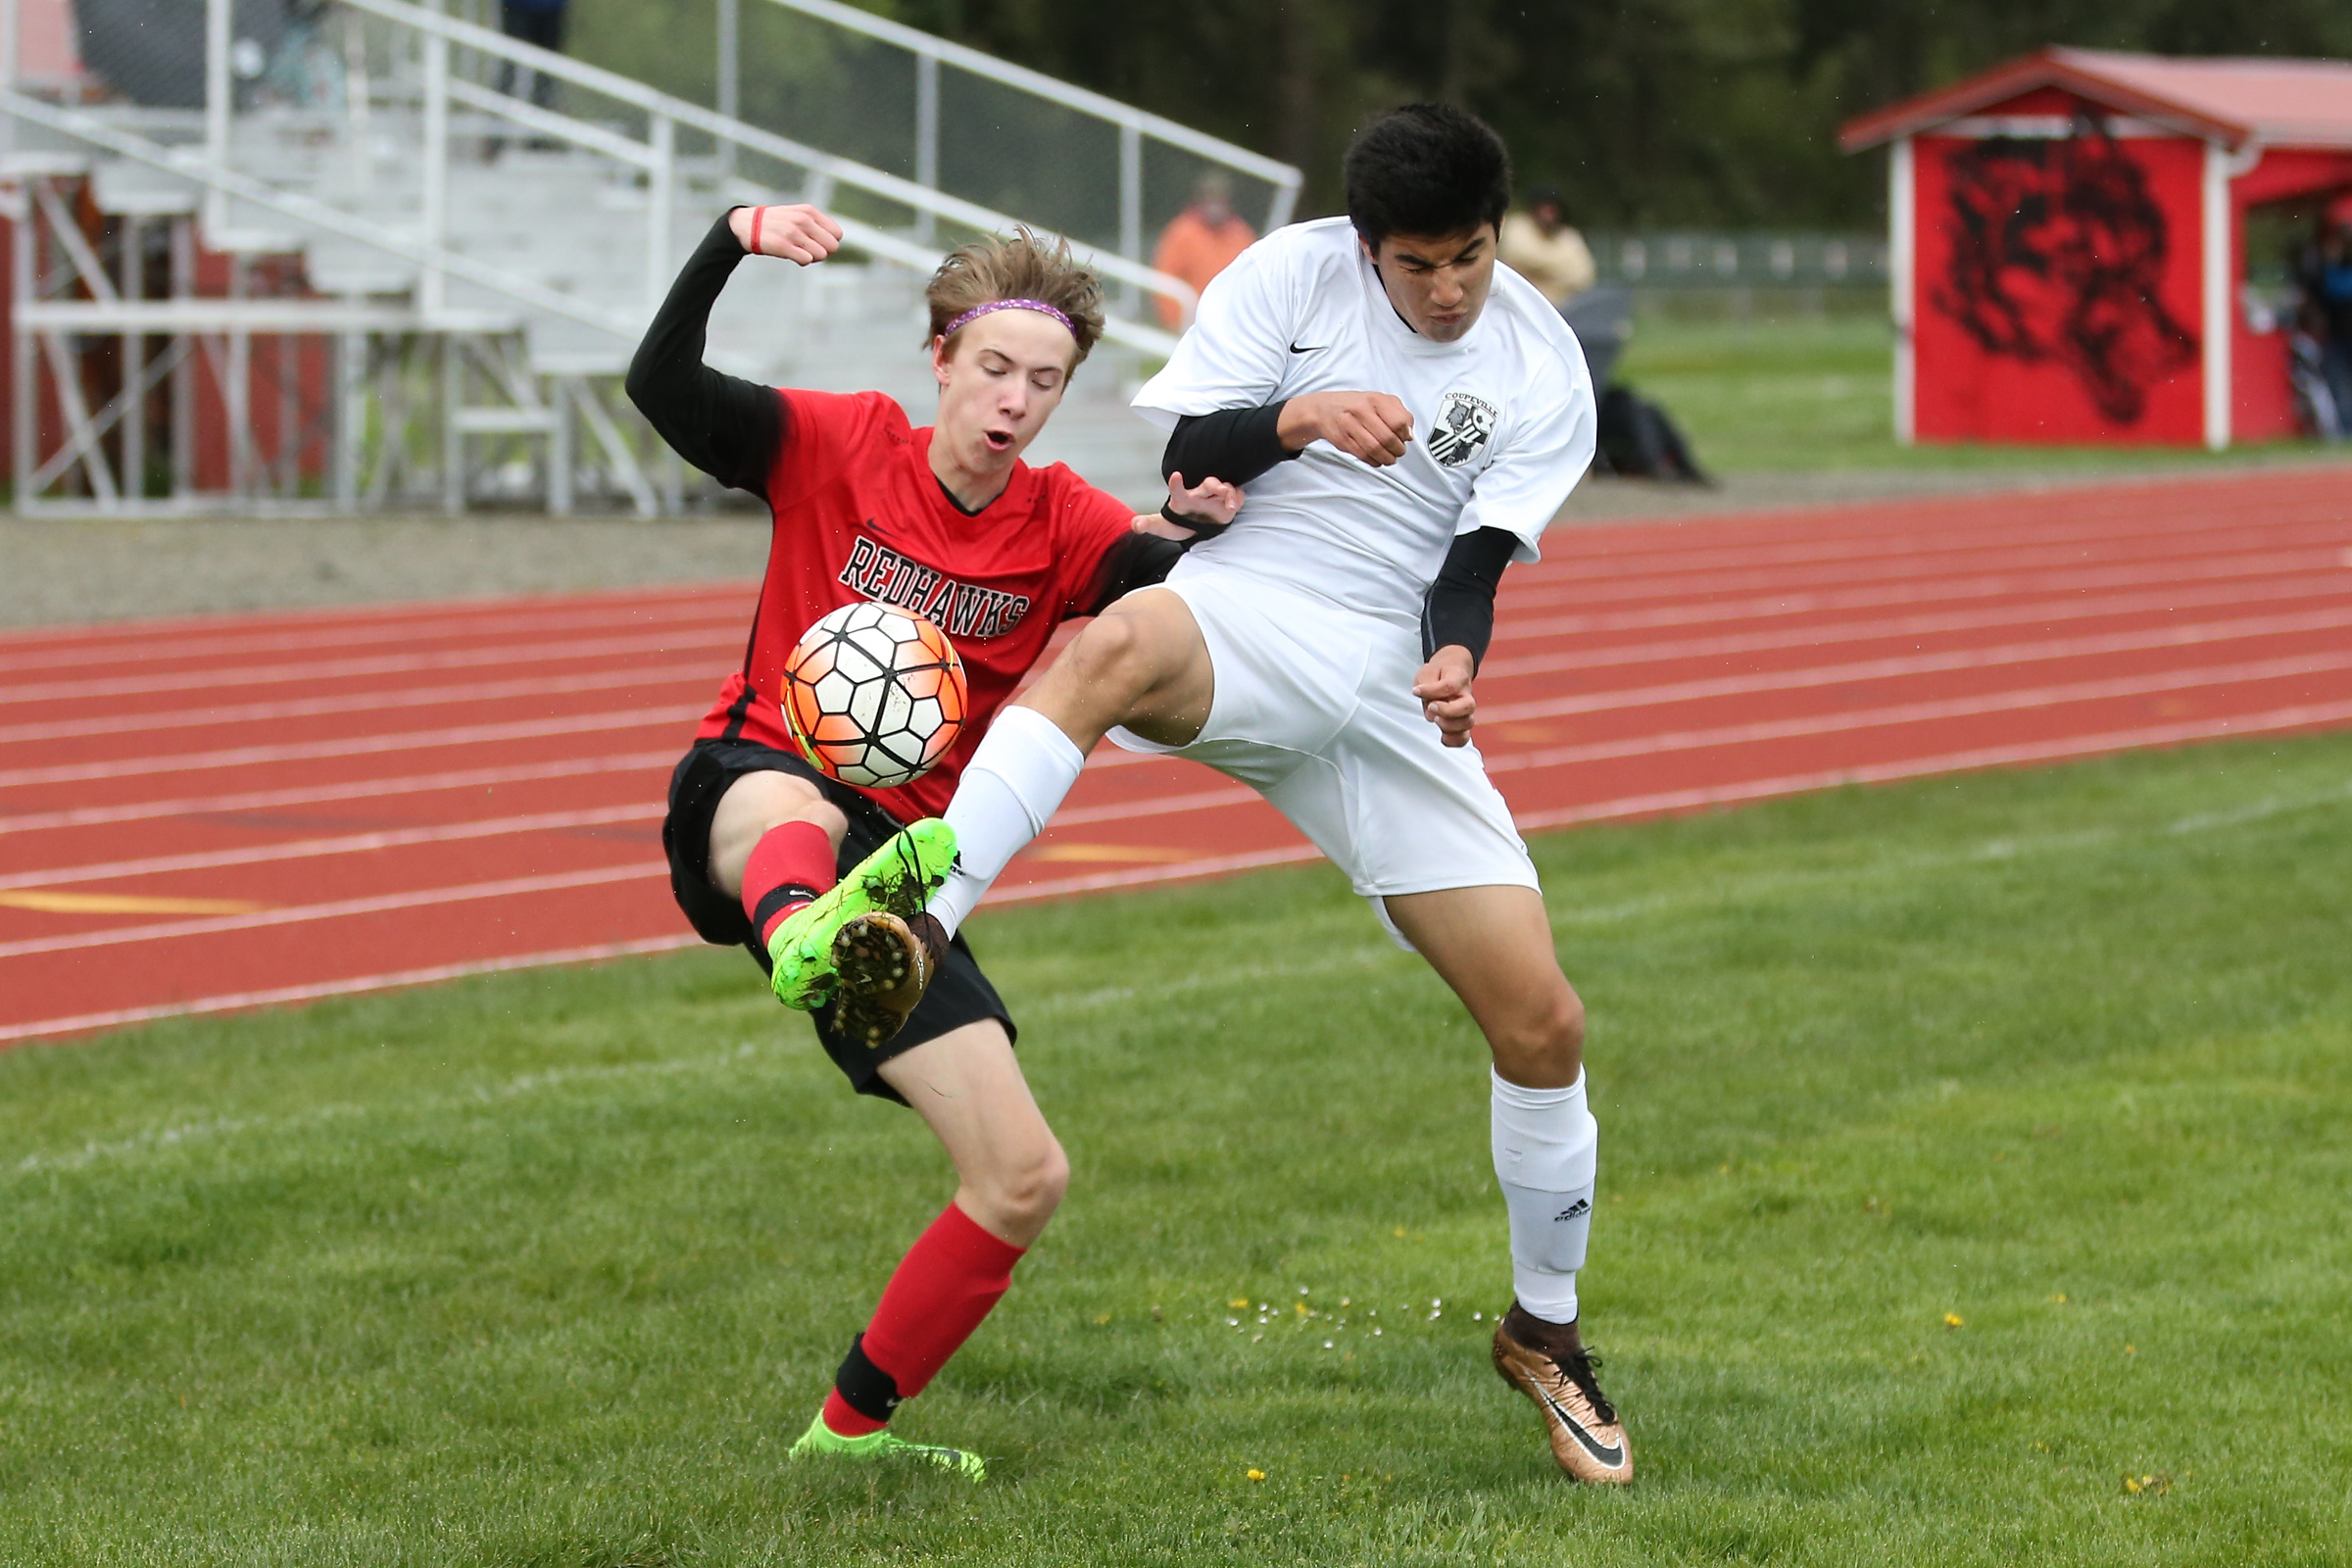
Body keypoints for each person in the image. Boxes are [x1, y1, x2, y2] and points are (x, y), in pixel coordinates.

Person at [769, 104, 1634, 1484]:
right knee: (1109, 646)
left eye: (1469, 257)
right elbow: (1189, 470)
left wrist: (1459, 657)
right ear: (1368, 247)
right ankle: (924, 923)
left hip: (1389, 683)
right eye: (1418, 265)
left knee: (1545, 1024)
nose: (1449, 289)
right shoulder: (1289, 275)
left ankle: (1546, 1331)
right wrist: (1300, 416)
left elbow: (1471, 564)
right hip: (1252, 613)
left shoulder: (1541, 363)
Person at [625, 202, 1240, 1479]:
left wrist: (1207, 520)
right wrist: (731, 237)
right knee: (796, 811)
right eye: (995, 367)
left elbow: (1159, 578)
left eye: (1045, 382)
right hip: (753, 785)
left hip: (904, 877)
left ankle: (847, 1436)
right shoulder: (839, 444)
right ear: (942, 360)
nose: (1014, 400)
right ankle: (804, 932)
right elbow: (659, 384)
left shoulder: (1061, 520)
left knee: (1022, 1173)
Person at [1150, 172, 1258, 331]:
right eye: (1210, 198)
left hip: (1233, 328)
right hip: (1188, 328)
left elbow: (1254, 285)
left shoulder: (1242, 236)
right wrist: (1178, 325)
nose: (1215, 206)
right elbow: (1165, 282)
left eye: (1220, 199)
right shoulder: (1181, 233)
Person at [1498, 184, 1595, 311]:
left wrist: (1539, 271)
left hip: (1562, 310)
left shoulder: (1569, 237)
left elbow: (1583, 276)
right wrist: (1561, 267)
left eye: (1552, 210)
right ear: (1533, 209)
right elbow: (1519, 255)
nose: (1547, 215)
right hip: (1517, 307)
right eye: (1543, 208)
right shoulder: (1518, 226)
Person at [497, 0, 568, 112]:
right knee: (511, 58)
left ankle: (542, 107)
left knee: (547, 64)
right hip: (517, 7)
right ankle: (500, 106)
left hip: (551, 9)